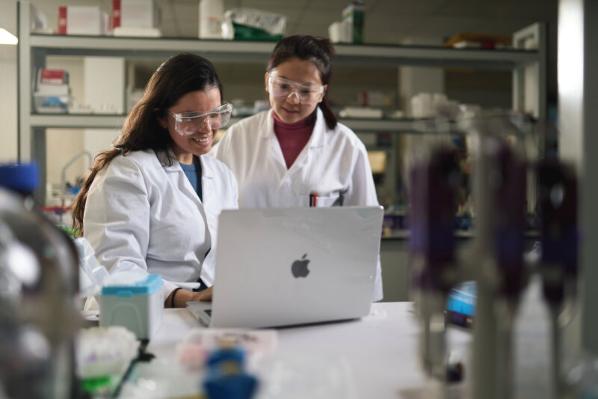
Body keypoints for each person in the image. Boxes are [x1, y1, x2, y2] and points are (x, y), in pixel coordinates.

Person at [212, 35, 383, 301]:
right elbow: (209, 210)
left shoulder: (346, 146)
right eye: (283, 86)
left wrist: (365, 299)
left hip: (323, 286)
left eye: (306, 91)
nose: (293, 99)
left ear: (322, 92)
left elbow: (365, 233)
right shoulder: (238, 137)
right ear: (267, 81)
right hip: (249, 282)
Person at [72, 53, 237, 308]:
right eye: (191, 118)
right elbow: (118, 269)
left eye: (215, 114)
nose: (206, 127)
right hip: (140, 317)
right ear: (162, 117)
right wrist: (187, 298)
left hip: (203, 314)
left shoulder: (222, 175)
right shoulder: (129, 172)